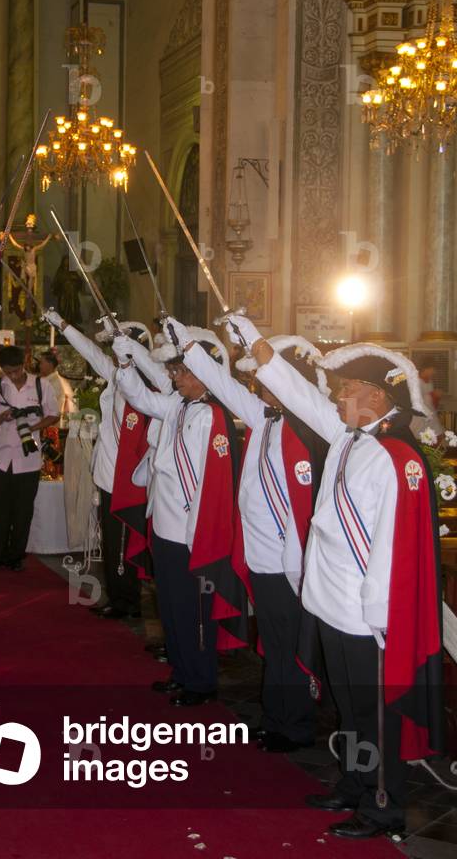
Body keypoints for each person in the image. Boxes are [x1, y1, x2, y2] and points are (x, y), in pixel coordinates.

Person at [222, 314, 444, 839]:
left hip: (368, 614)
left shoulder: (397, 456)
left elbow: (394, 548)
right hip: (331, 603)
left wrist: (379, 618)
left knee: (374, 711)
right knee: (349, 708)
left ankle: (383, 803)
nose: (337, 398)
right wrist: (254, 342)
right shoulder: (349, 437)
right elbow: (298, 396)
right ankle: (353, 782)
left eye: (346, 390)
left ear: (373, 395)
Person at [166, 319, 329, 750]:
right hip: (260, 556)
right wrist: (189, 346)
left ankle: (295, 725)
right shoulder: (265, 418)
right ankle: (276, 716)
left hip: (289, 562)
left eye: (267, 380)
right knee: (274, 644)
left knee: (292, 646)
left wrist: (254, 339)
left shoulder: (308, 428)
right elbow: (226, 387)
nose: (257, 387)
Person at [112, 328, 244, 706]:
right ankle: (181, 670)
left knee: (194, 612)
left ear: (206, 374)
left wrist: (195, 535)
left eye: (182, 372)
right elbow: (139, 396)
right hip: (165, 527)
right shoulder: (178, 406)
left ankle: (200, 681)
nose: (176, 378)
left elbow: (209, 485)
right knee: (170, 606)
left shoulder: (211, 416)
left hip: (190, 532)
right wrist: (125, 361)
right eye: (174, 372)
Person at [43, 309, 170, 619]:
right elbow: (90, 350)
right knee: (111, 543)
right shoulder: (116, 376)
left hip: (129, 481)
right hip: (107, 473)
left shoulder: (149, 387)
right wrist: (63, 324)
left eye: (119, 348)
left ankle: (128, 601)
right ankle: (117, 596)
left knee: (123, 544)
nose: (112, 356)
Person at [0, 345, 58, 572]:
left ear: (24, 363)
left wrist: (31, 427)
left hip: (28, 459)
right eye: (8, 372)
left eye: (16, 370)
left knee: (22, 511)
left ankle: (16, 556)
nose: (13, 375)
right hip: (0, 457)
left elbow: (54, 415)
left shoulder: (41, 385)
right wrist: (3, 416)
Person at [38, 348, 76, 426]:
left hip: (49, 427)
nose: (39, 366)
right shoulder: (45, 380)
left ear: (50, 364)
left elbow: (53, 411)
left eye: (41, 363)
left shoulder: (56, 383)